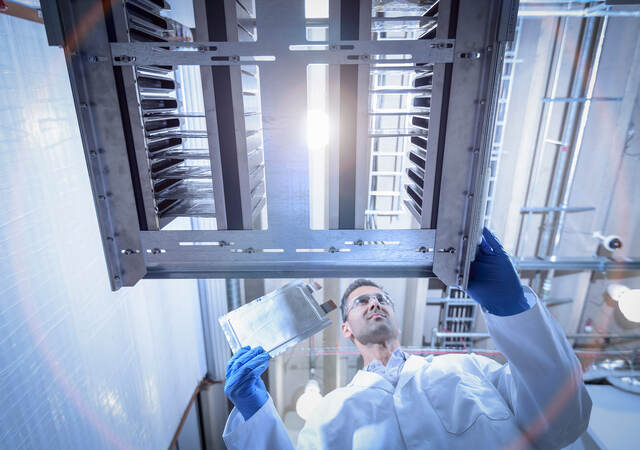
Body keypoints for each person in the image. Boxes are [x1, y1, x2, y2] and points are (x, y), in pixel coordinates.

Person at [222, 228, 592, 449]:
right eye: (361, 301)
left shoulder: (468, 369)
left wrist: (514, 310)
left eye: (382, 299)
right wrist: (257, 417)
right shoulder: (330, 412)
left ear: (394, 317)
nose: (375, 304)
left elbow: (563, 422)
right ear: (346, 328)